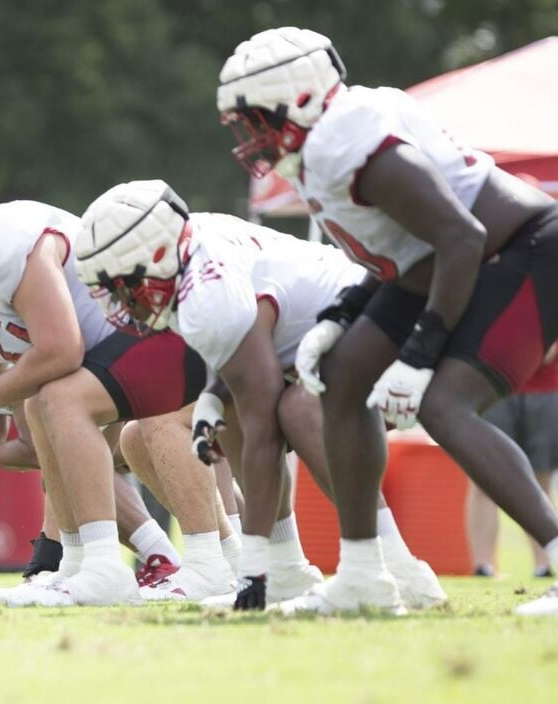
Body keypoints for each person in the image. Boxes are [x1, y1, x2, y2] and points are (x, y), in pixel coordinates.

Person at [217, 27, 558, 615]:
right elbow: (400, 249)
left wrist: (420, 357)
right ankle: (363, 575)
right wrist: (344, 314)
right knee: (341, 375)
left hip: (520, 248)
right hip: (444, 262)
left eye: (258, 119)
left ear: (300, 99)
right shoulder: (325, 140)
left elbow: (460, 236)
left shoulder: (347, 138)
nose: (253, 138)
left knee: (443, 405)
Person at [0, 167, 229, 608]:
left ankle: (125, 564)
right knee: (44, 405)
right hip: (124, 345)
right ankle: (77, 564)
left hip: (170, 320)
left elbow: (62, 350)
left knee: (58, 399)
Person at [75, 179, 443, 610]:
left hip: (388, 334)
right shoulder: (189, 251)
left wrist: (251, 570)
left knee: (296, 412)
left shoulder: (208, 291)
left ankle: (393, 568)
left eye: (125, 286)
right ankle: (289, 569)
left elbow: (263, 433)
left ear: (155, 256)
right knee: (232, 408)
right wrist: (213, 397)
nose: (123, 304)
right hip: (338, 336)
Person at [0, 285, 186, 595]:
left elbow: (33, 453)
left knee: (77, 462)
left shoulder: (4, 351)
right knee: (70, 464)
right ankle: (142, 558)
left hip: (119, 362)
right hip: (98, 379)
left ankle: (160, 555)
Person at [467, 353, 558, 578]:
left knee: (540, 481)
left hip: (546, 389)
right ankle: (483, 566)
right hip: (493, 389)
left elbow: (546, 352)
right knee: (483, 480)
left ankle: (543, 565)